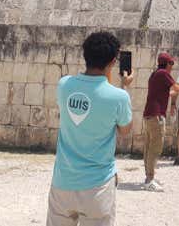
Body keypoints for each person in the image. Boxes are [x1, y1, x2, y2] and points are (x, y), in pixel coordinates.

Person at [47, 31, 134, 226]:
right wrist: (125, 87)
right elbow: (124, 130)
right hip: (98, 185)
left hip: (63, 182)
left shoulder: (64, 85)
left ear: (85, 55)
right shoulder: (119, 97)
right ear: (113, 61)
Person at [142, 51, 179, 191]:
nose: (172, 66)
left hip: (149, 115)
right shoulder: (163, 73)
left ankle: (149, 176)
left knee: (149, 147)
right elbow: (176, 87)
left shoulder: (155, 74)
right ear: (167, 63)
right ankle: (149, 180)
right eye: (171, 63)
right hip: (156, 116)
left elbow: (169, 93)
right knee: (155, 148)